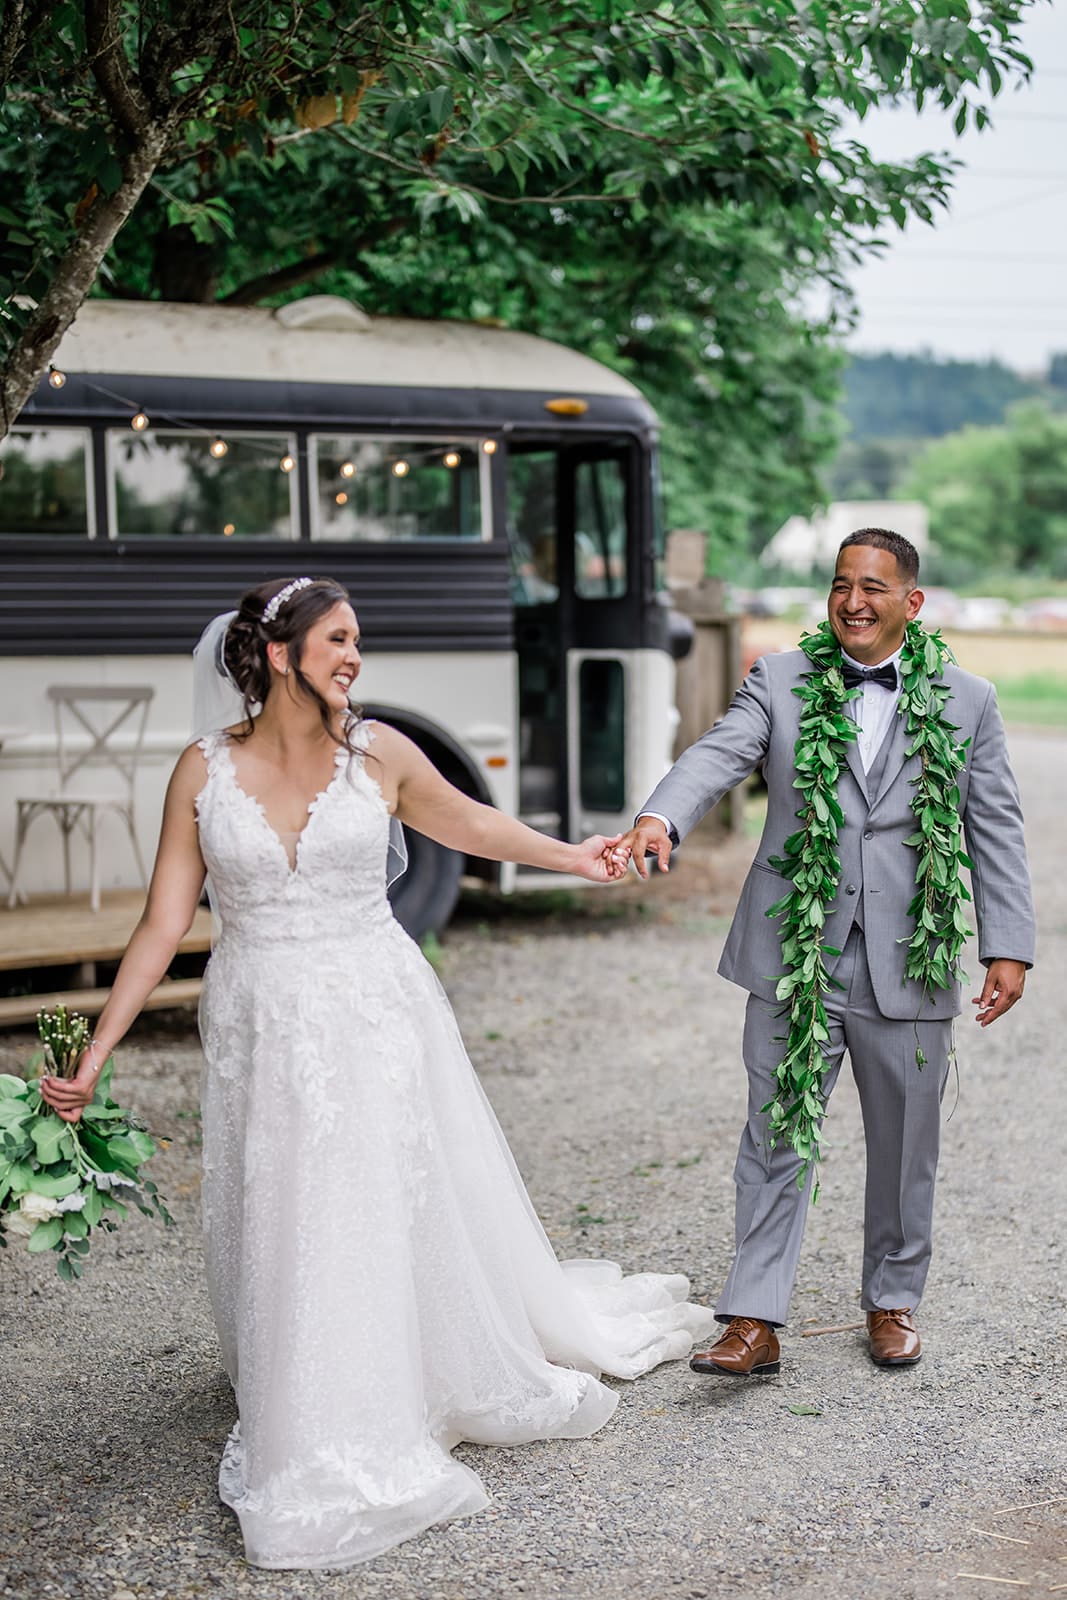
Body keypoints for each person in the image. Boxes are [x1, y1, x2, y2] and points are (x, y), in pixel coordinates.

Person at [40, 575, 716, 1571]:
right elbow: (162, 922)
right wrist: (95, 1053)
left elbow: (475, 828)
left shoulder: (382, 754)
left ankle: (368, 1396)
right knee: (285, 1205)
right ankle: (298, 1378)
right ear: (279, 654)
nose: (355, 656)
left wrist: (578, 858)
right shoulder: (201, 771)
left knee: (363, 1199)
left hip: (372, 1009)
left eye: (358, 640)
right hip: (260, 1020)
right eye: (338, 639)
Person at [615, 530, 1035, 1377]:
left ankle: (890, 1299)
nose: (853, 601)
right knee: (775, 1132)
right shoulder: (779, 680)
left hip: (909, 962)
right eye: (842, 584)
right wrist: (660, 816)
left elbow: (994, 827)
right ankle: (753, 1318)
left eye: (873, 587)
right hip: (792, 951)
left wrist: (1008, 945)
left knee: (905, 1140)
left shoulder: (968, 699)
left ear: (910, 603)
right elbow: (717, 754)